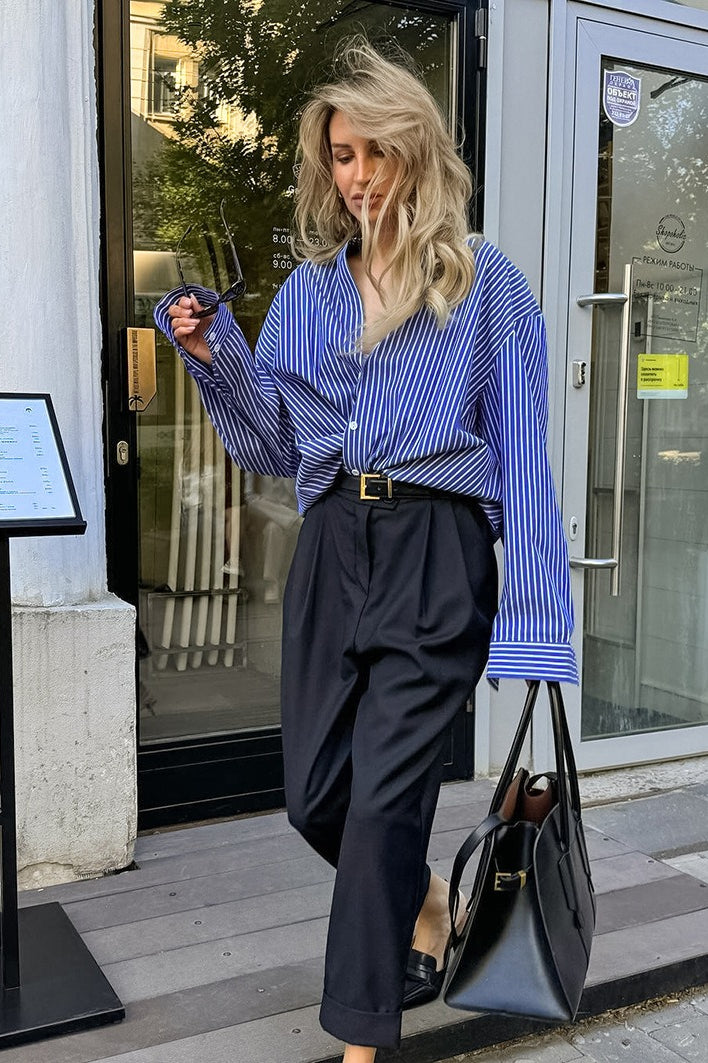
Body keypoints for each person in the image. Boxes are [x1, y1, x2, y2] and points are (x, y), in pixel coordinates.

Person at [154, 39, 578, 1063]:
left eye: (376, 153)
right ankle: (425, 898)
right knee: (317, 794)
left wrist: (536, 627)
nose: (357, 177)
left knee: (389, 793)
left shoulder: (488, 287)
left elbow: (525, 461)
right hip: (334, 542)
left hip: (437, 547)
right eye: (342, 157)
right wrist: (216, 359)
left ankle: (360, 1041)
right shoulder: (307, 294)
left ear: (419, 155)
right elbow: (271, 446)